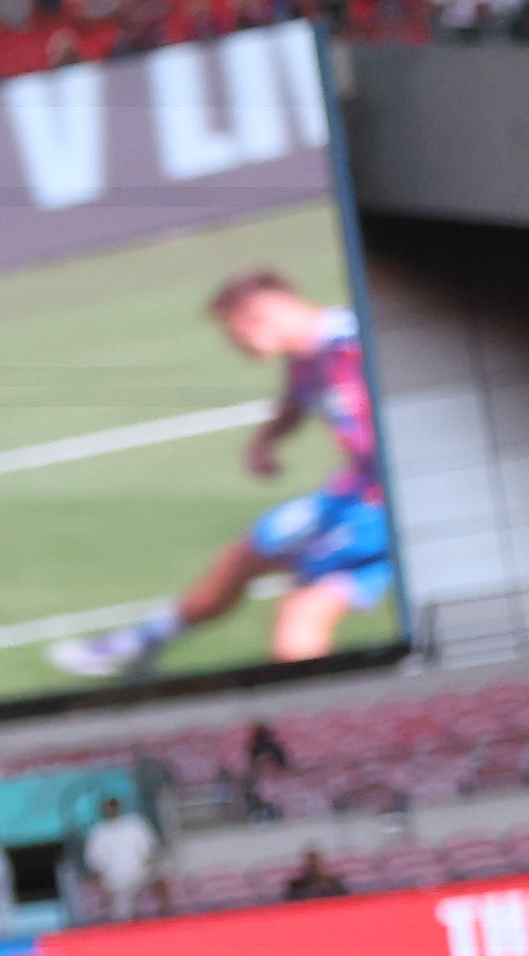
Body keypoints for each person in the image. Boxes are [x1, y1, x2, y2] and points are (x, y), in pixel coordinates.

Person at [51, 269, 390, 676]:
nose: (236, 345)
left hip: (377, 504)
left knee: (300, 612)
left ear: (258, 315)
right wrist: (265, 440)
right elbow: (296, 399)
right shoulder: (306, 355)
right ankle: (139, 644)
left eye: (234, 333)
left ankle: (323, 718)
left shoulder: (352, 341)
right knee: (249, 562)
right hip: (352, 493)